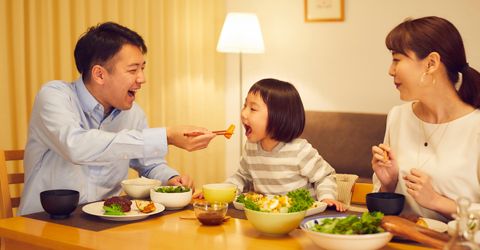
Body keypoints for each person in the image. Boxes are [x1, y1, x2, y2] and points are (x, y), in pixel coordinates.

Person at [18, 22, 216, 215]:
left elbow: (149, 163)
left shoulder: (133, 113)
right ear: (99, 74)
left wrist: (171, 178)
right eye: (133, 70)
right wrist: (166, 136)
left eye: (142, 68)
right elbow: (76, 145)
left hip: (105, 225)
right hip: (42, 225)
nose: (142, 79)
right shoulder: (55, 96)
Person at [371, 16, 480, 222]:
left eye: (397, 59)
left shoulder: (475, 127)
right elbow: (384, 213)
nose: (390, 70)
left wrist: (437, 201)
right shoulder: (398, 117)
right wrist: (388, 184)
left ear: (431, 63)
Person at [225, 78, 346, 211]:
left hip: (299, 216)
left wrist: (326, 197)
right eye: (244, 106)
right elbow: (242, 177)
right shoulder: (251, 147)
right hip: (267, 215)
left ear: (278, 116)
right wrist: (220, 193)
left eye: (253, 108)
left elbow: (325, 176)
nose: (243, 113)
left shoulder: (299, 150)